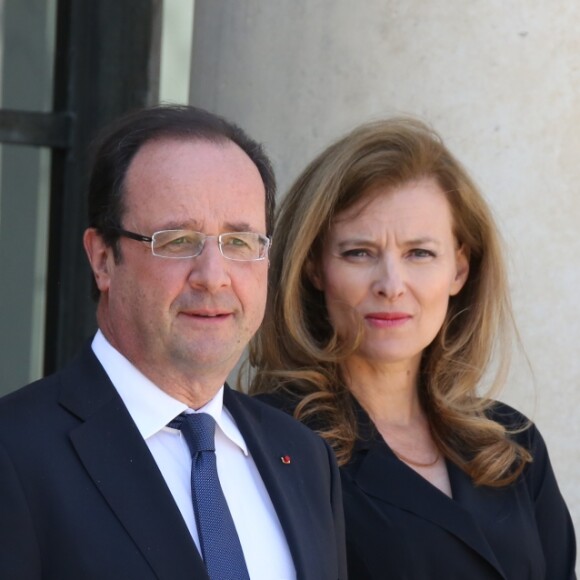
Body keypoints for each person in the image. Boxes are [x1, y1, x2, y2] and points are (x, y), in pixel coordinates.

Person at [0, 105, 346, 580]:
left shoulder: (304, 458)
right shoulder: (15, 454)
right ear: (103, 259)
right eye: (178, 240)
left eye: (240, 243)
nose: (213, 277)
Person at [250, 117, 577, 579]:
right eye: (359, 252)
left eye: (419, 253)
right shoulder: (271, 444)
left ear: (459, 271)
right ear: (314, 269)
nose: (391, 285)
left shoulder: (512, 444)